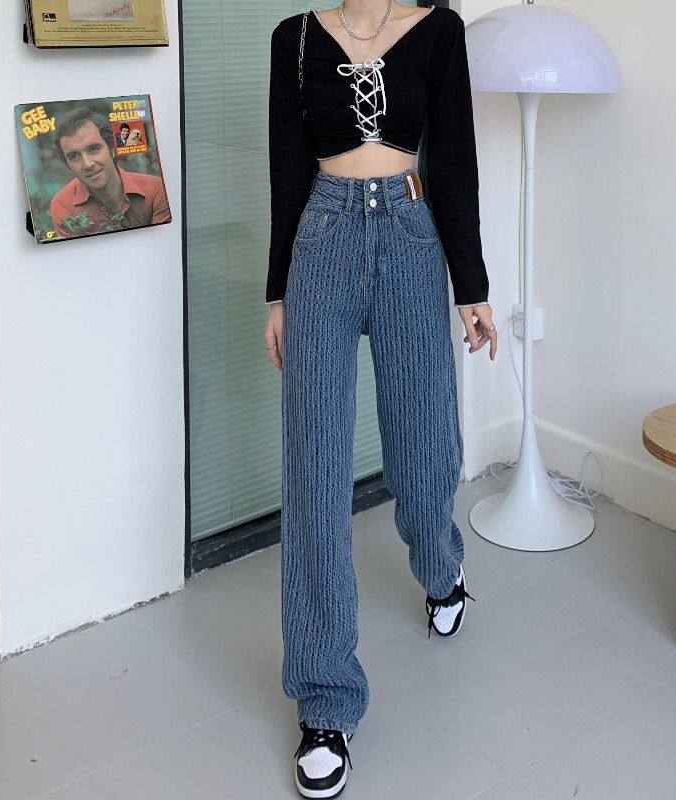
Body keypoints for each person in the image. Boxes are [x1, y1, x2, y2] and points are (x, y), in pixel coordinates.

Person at [263, 2, 497, 797]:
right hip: (322, 243)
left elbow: (454, 159)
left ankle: (440, 566)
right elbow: (286, 167)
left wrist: (471, 287)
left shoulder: (439, 30)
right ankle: (325, 698)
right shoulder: (295, 38)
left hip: (408, 236)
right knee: (315, 468)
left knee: (423, 444)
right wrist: (277, 293)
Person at [50, 107, 171, 238]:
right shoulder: (64, 204)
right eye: (74, 156)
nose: (88, 164)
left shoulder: (155, 190)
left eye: (94, 149)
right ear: (68, 165)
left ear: (112, 149)